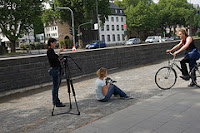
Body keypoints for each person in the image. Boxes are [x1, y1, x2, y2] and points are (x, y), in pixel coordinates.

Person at [47, 38, 65, 107]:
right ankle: (55, 101)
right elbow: (53, 60)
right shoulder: (49, 51)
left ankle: (56, 100)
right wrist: (59, 53)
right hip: (54, 70)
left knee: (56, 86)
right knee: (55, 86)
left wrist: (59, 60)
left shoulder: (51, 51)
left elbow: (55, 59)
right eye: (54, 43)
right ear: (51, 43)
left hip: (56, 69)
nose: (55, 44)